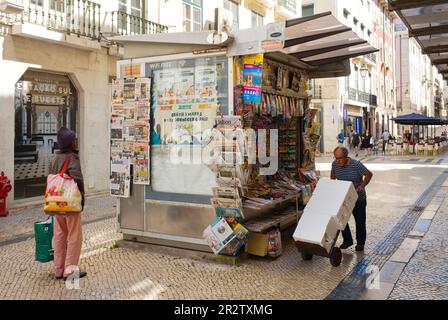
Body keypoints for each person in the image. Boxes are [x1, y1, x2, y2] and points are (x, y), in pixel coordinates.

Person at [48, 127, 86, 281]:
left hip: (56, 203)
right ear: (71, 142)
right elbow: (78, 180)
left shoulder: (55, 158)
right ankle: (70, 270)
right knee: (74, 236)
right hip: (70, 204)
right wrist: (82, 199)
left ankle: (58, 269)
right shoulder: (72, 157)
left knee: (59, 235)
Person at [331, 147, 373, 252]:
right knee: (341, 220)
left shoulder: (356, 165)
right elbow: (333, 175)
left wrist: (362, 186)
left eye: (340, 158)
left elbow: (369, 174)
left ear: (346, 156)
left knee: (360, 222)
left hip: (358, 198)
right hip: (344, 197)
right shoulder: (335, 164)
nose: (338, 161)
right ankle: (347, 240)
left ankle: (360, 244)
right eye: (336, 158)